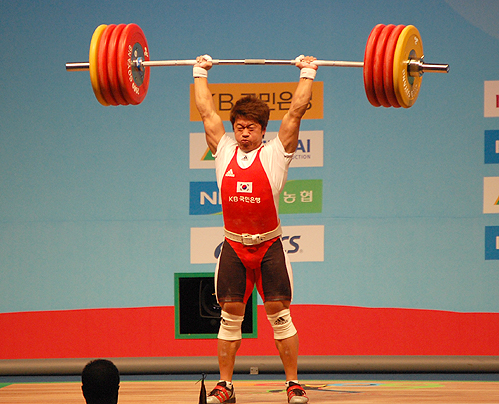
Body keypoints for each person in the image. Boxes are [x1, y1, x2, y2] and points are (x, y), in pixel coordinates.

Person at [193, 54, 317, 404]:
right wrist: (200, 72)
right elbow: (206, 112)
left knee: (281, 319)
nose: (244, 133)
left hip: (269, 248)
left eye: (251, 128)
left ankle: (293, 384)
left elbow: (295, 111)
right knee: (230, 321)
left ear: (263, 130)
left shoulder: (277, 153)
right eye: (240, 127)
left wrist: (307, 72)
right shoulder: (223, 150)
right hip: (234, 248)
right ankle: (225, 386)